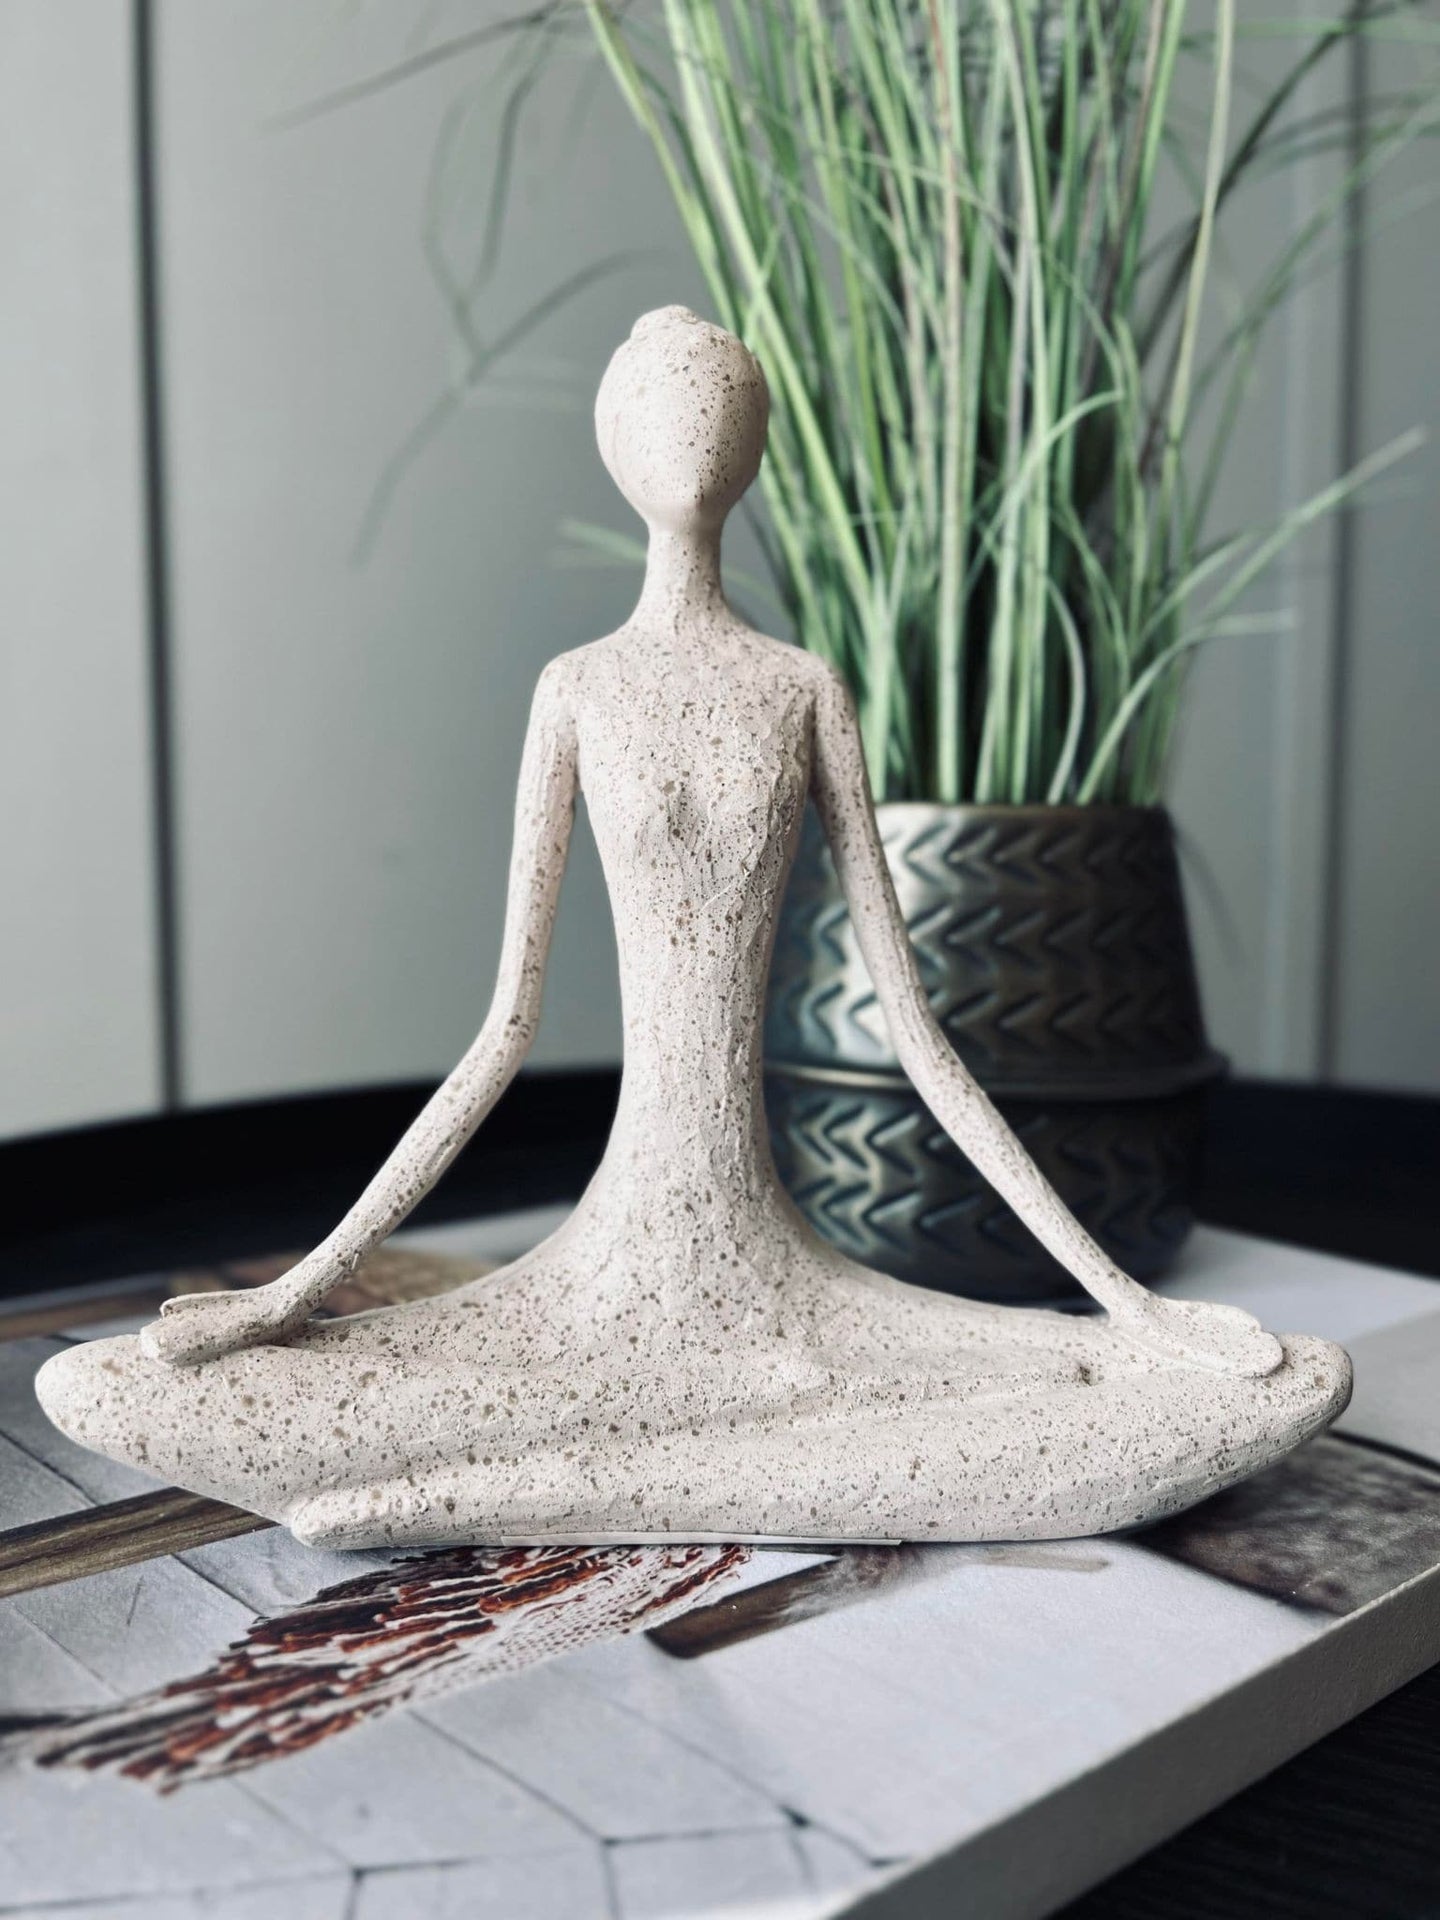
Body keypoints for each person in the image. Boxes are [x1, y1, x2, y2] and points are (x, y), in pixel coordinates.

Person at [37, 309, 1349, 1548]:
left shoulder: (800, 687)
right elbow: (504, 1030)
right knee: (112, 1386)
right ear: (615, 442)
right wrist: (290, 1296)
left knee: (1196, 1379)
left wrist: (1130, 1306)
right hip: (599, 1260)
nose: (694, 431)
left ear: (755, 446)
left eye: (720, 407)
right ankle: (565, 1476)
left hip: (788, 1271)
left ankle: (517, 1489)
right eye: (667, 407)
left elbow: (916, 1030)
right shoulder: (581, 688)